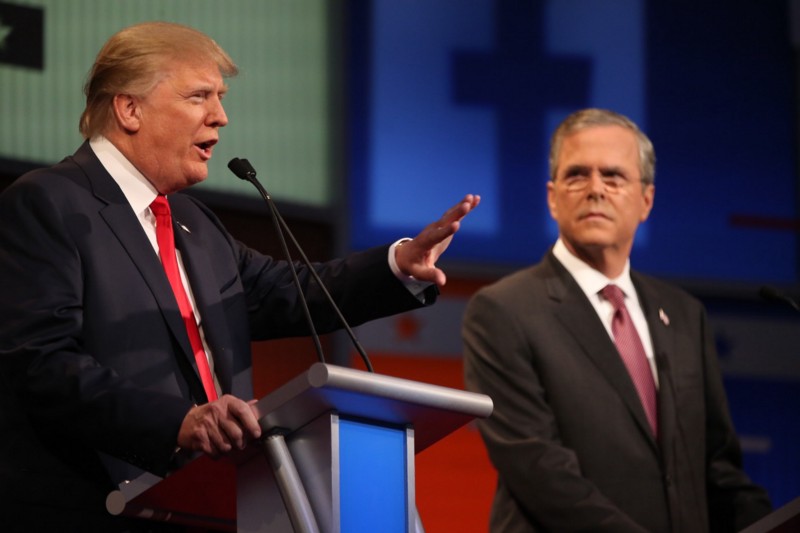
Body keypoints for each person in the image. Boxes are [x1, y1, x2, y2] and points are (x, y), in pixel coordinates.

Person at [0, 21, 480, 531]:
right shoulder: (47, 203)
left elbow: (285, 292)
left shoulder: (193, 222)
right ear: (129, 108)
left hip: (215, 504)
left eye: (220, 98)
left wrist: (397, 266)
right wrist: (178, 423)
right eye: (199, 96)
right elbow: (41, 362)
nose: (221, 117)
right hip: (93, 505)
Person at [462, 108, 771, 532]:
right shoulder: (504, 310)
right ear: (552, 197)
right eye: (576, 175)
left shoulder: (682, 314)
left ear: (646, 200)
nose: (595, 190)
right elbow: (541, 470)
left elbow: (716, 468)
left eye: (613, 176)